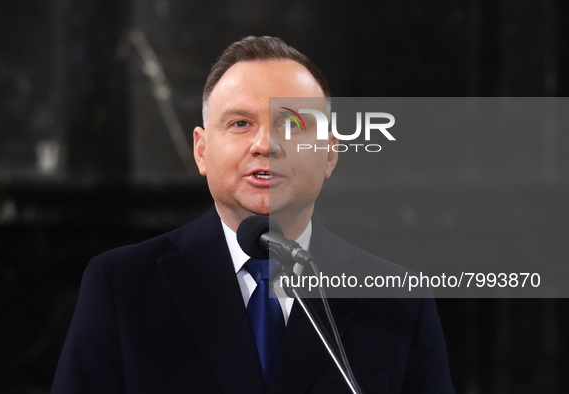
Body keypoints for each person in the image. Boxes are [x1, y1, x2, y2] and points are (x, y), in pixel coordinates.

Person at [52, 36, 454, 393]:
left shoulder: (398, 298)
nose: (265, 144)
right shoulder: (122, 286)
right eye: (241, 123)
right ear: (201, 151)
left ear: (330, 153)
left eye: (292, 125)